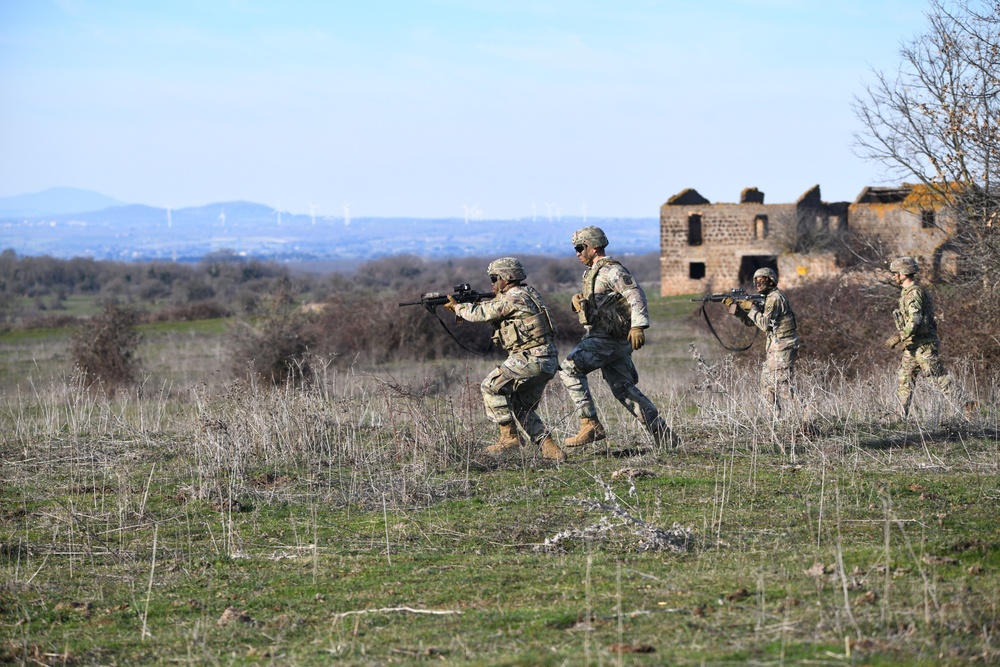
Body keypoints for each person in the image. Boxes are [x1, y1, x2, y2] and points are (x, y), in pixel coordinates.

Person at [559, 226, 675, 448]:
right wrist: (578, 301)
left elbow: (635, 294)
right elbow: (603, 302)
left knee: (569, 369)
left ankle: (589, 423)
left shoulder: (612, 271)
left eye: (579, 248)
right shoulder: (593, 273)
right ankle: (664, 435)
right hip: (608, 337)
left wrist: (639, 326)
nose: (577, 253)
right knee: (624, 389)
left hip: (608, 339)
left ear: (593, 247)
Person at [444, 257, 566, 462]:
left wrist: (459, 308)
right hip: (546, 360)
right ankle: (551, 450)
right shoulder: (528, 293)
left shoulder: (514, 297)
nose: (492, 283)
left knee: (491, 386)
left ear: (506, 278)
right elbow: (495, 309)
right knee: (521, 408)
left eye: (494, 278)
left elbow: (482, 313)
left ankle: (509, 438)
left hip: (530, 358)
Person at [884, 256, 961, 418]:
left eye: (895, 273)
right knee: (905, 379)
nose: (893, 276)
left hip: (923, 345)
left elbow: (915, 320)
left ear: (904, 273)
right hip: (913, 345)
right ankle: (900, 415)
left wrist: (899, 337)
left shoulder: (914, 293)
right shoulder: (908, 292)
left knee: (938, 378)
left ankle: (965, 408)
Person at [723, 267, 800, 416]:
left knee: (781, 385)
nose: (758, 283)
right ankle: (773, 419)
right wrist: (736, 309)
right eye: (756, 281)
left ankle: (808, 410)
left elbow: (764, 324)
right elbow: (752, 322)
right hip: (775, 346)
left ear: (770, 281)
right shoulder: (768, 298)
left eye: (761, 280)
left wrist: (751, 307)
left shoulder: (775, 298)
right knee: (766, 385)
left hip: (783, 345)